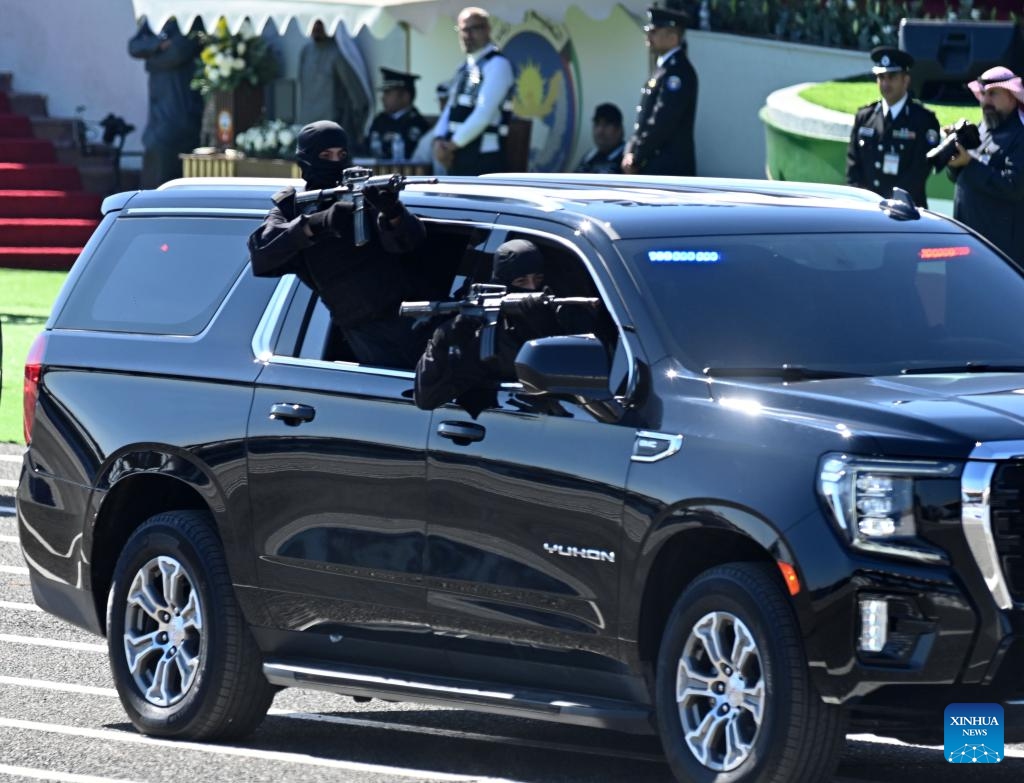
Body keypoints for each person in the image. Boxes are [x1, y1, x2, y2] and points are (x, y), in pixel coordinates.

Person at [248, 121, 428, 367]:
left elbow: (412, 243)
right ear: (306, 160)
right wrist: (317, 223)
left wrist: (393, 212)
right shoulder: (292, 208)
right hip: (363, 334)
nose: (335, 162)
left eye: (341, 155)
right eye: (325, 155)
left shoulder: (364, 195)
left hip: (411, 318)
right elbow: (261, 255)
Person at [415, 239, 562, 415]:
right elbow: (427, 398)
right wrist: (442, 341)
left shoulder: (558, 318)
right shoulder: (483, 334)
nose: (532, 288)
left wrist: (547, 330)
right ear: (503, 284)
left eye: (537, 279)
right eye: (521, 281)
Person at [946, 66, 1024, 264]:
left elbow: (1014, 186)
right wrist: (954, 159)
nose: (986, 101)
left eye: (993, 94)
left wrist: (970, 164)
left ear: (1012, 97)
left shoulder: (1020, 137)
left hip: (1001, 252)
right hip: (967, 241)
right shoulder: (980, 130)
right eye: (983, 94)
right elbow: (958, 178)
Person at [846, 47, 940, 207]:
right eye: (881, 77)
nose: (885, 83)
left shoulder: (923, 121)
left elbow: (919, 171)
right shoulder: (865, 117)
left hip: (905, 212)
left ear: (906, 80)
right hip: (867, 210)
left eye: (892, 77)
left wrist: (888, 203)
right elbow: (853, 168)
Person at [432, 7, 516, 175]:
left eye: (474, 28)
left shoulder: (498, 64)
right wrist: (438, 139)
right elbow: (450, 108)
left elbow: (484, 114)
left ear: (488, 30)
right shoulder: (464, 68)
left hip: (484, 158)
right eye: (463, 29)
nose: (467, 35)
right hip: (457, 156)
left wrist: (451, 146)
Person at [128, 17, 204, 188]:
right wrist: (158, 44)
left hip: (181, 105)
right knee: (153, 148)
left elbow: (177, 53)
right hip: (158, 107)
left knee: (168, 153)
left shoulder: (191, 19)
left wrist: (149, 59)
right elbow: (133, 46)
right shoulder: (156, 18)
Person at [622, 7, 698, 176]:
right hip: (654, 166)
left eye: (654, 31)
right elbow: (643, 120)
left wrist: (637, 156)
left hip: (668, 169)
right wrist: (630, 151)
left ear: (673, 37)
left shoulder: (677, 71)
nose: (648, 36)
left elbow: (663, 119)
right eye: (648, 30)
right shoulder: (664, 68)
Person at [297, 20, 371, 148]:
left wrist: (357, 128)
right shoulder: (306, 52)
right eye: (313, 23)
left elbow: (357, 97)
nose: (316, 28)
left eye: (320, 23)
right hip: (308, 129)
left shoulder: (338, 53)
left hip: (333, 130)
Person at [365, 68, 431, 160]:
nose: (383, 98)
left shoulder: (418, 124)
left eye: (388, 93)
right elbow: (366, 148)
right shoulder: (379, 120)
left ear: (405, 96)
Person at [575, 103, 626, 174]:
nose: (600, 131)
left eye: (606, 125)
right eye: (597, 124)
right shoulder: (589, 157)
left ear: (619, 129)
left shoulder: (627, 157)